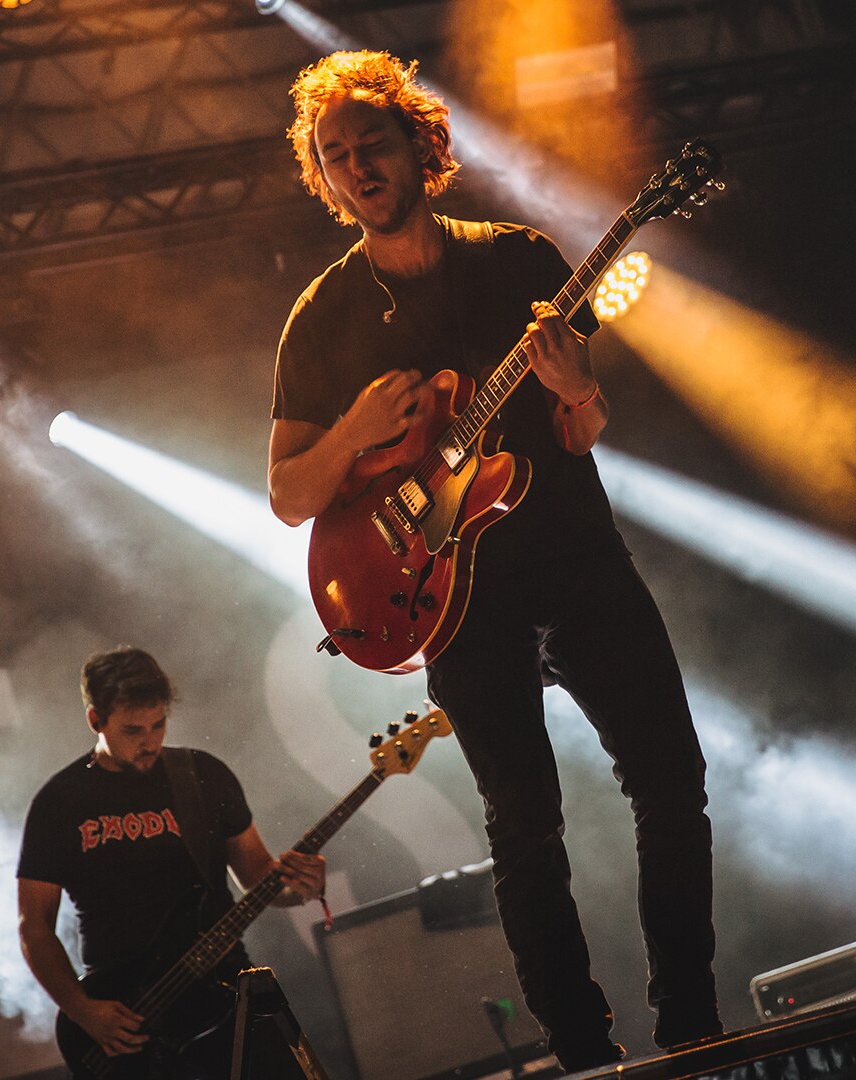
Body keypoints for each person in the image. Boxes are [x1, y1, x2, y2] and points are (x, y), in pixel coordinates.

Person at [268, 50, 720, 1071]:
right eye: (335, 157)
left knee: (671, 782)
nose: (357, 167)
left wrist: (577, 389)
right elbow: (290, 494)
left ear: (420, 143)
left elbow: (580, 432)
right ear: (324, 179)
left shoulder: (519, 259)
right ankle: (584, 1049)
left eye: (371, 144)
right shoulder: (323, 316)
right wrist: (353, 431)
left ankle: (691, 1023)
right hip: (452, 598)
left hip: (574, 558)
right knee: (524, 829)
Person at [16, 646, 326, 1068]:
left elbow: (257, 874)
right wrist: (83, 1011)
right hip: (129, 1014)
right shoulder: (59, 803)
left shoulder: (203, 776)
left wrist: (300, 887)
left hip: (225, 991)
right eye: (132, 730)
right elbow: (34, 927)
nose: (149, 742)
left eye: (158, 724)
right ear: (95, 720)